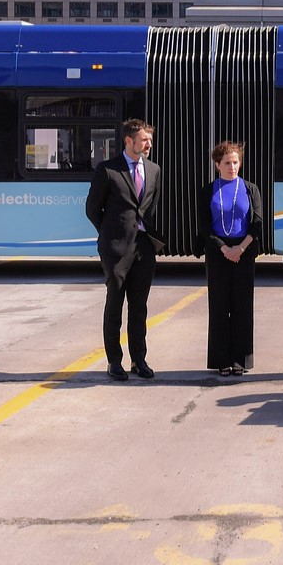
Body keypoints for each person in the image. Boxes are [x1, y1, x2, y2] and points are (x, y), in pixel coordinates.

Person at [86, 118, 163, 382]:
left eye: (150, 140)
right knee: (115, 305)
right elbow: (92, 209)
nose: (148, 144)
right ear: (129, 141)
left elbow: (150, 209)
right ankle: (114, 361)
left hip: (144, 248)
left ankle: (139, 359)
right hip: (116, 249)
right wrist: (109, 235)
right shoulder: (108, 170)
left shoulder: (154, 170)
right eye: (144, 139)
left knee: (139, 307)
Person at [198, 141, 263, 377]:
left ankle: (240, 359)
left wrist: (241, 248)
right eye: (227, 163)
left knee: (242, 308)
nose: (232, 166)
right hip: (218, 254)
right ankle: (221, 360)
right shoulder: (208, 190)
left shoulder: (250, 188)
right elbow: (205, 227)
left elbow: (257, 223)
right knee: (219, 307)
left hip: (244, 254)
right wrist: (225, 249)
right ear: (217, 165)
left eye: (235, 162)